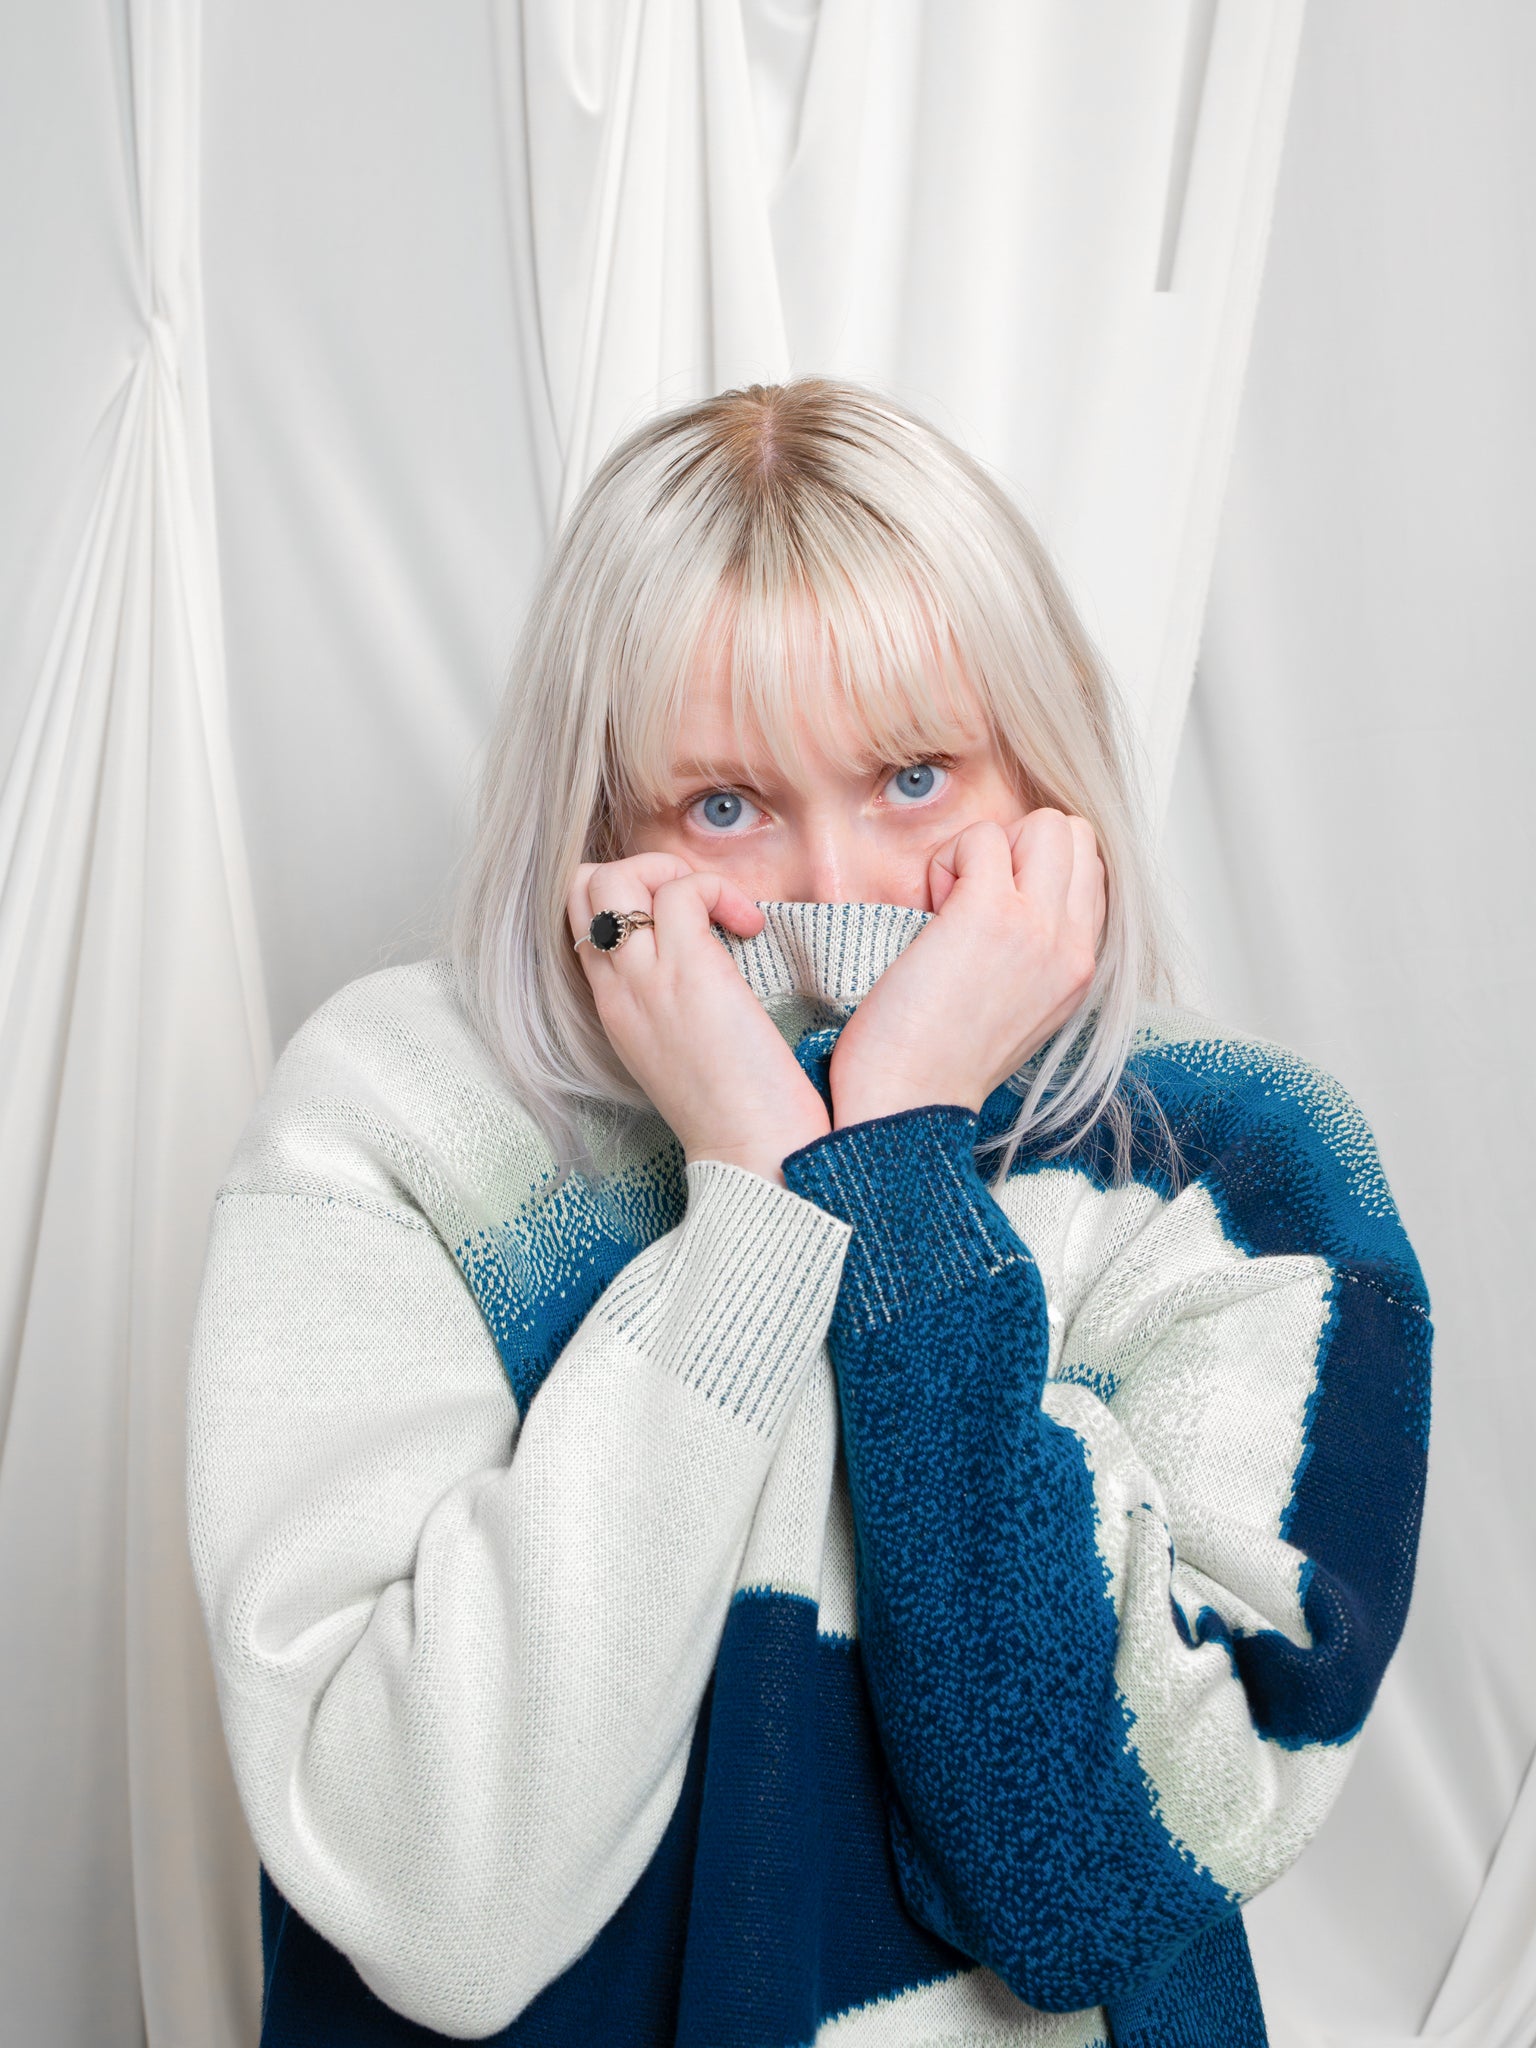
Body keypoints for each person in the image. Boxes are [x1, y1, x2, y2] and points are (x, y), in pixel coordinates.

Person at [187, 380, 1432, 2048]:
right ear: (595, 826)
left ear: (1042, 775)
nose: (836, 885)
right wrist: (755, 1215)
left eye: (915, 776)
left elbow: (1083, 1888)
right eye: (724, 806)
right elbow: (441, 1911)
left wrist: (902, 1169)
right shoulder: (405, 1124)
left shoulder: (1231, 1174)